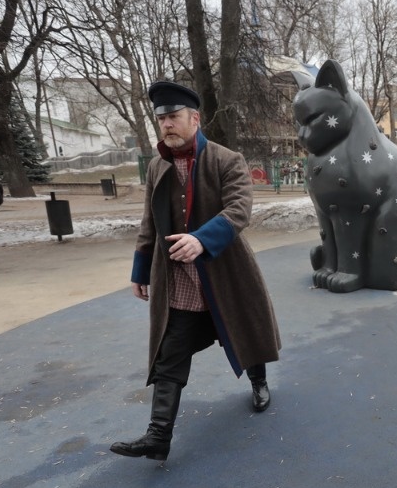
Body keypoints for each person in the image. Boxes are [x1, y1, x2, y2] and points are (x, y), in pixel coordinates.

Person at [110, 81, 281, 462]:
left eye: (173, 117)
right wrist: (140, 270)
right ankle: (158, 436)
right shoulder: (157, 166)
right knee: (169, 352)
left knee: (244, 332)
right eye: (161, 119)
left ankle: (259, 383)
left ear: (194, 119)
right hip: (180, 280)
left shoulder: (226, 159)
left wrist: (203, 239)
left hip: (225, 272)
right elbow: (148, 224)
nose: (166, 125)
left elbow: (239, 209)